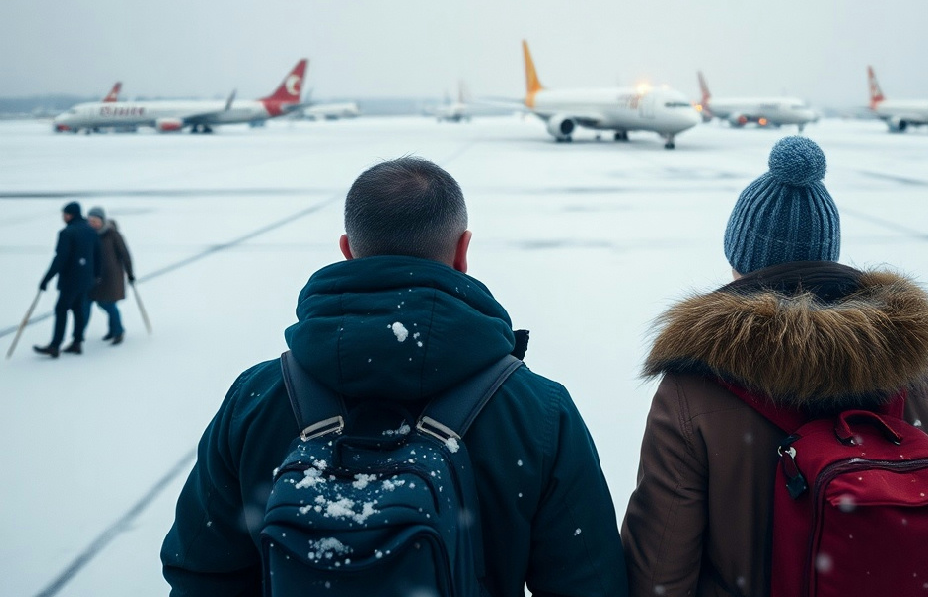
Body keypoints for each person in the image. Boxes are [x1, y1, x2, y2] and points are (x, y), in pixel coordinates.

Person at [161, 157, 627, 596]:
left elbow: (201, 573)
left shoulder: (256, 398)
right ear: (463, 250)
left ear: (347, 250)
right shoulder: (537, 410)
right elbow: (589, 583)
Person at [621, 136, 928, 597]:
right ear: (827, 256)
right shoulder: (920, 375)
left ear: (740, 259)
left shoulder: (692, 392)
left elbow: (659, 572)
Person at [34, 201, 101, 358]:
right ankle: (77, 342)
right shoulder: (91, 231)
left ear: (70, 215)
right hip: (86, 279)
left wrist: (46, 279)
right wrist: (96, 275)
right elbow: (98, 255)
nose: (63, 217)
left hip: (71, 279)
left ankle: (55, 345)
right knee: (78, 308)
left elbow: (60, 258)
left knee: (61, 309)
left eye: (65, 214)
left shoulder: (67, 233)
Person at [86, 206, 136, 345]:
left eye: (96, 221)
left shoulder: (113, 235)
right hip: (96, 277)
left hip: (111, 277)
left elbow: (125, 255)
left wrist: (130, 273)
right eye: (91, 221)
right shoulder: (89, 235)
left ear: (102, 221)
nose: (93, 224)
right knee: (103, 303)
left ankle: (118, 331)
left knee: (108, 304)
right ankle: (112, 330)